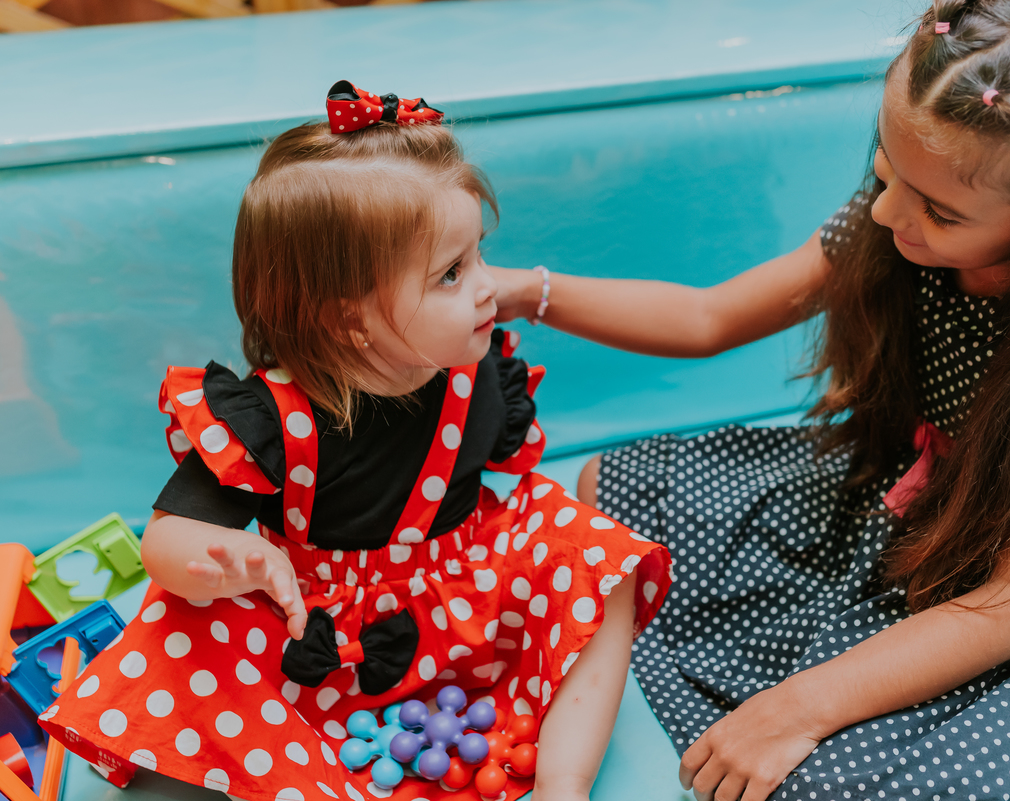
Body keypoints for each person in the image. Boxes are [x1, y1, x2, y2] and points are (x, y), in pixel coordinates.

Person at [492, 1, 1010, 798]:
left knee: (823, 781)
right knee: (617, 489)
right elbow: (708, 317)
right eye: (887, 174)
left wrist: (799, 707)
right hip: (908, 499)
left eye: (938, 209)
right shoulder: (902, 214)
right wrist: (527, 290)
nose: (890, 212)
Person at [39, 81, 671, 801]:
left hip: (459, 608)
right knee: (179, 618)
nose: (490, 288)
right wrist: (222, 559)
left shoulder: (475, 373)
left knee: (592, 548)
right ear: (349, 321)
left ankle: (564, 779)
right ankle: (306, 779)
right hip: (312, 638)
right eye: (452, 273)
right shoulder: (269, 417)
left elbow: (520, 502)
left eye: (480, 255)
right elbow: (166, 539)